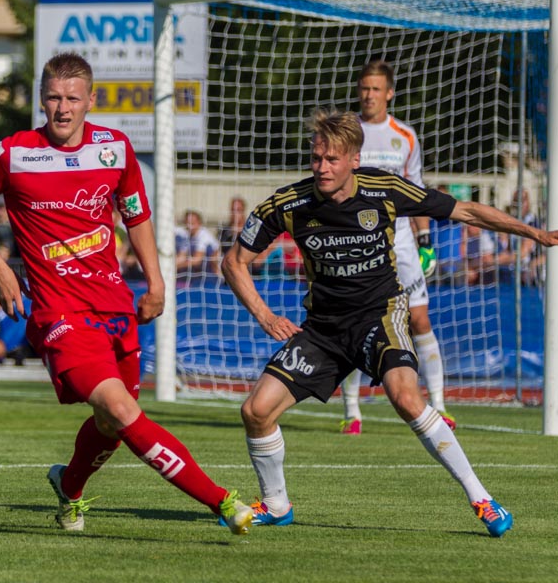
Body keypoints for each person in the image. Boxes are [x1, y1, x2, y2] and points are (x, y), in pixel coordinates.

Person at [220, 107, 557, 537]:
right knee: (255, 410)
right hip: (323, 330)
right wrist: (265, 316)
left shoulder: (385, 189)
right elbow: (234, 263)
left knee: (405, 398)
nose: (322, 167)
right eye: (316, 157)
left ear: (354, 160)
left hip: (380, 314)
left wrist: (537, 235)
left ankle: (482, 499)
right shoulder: (288, 204)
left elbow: (467, 212)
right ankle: (276, 503)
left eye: (332, 159)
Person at [0, 52, 253, 535]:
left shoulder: (115, 148)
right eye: (53, 97)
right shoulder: (11, 153)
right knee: (120, 409)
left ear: (91, 100)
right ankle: (223, 502)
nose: (62, 108)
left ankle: (68, 489)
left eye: (73, 98)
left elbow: (136, 216)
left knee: (113, 428)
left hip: (115, 308)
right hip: (59, 314)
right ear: (41, 100)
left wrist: (156, 283)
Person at [340, 60, 454, 435]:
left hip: (402, 243)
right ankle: (352, 412)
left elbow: (418, 194)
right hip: (359, 242)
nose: (368, 95)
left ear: (389, 93)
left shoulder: (404, 136)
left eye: (375, 89)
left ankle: (438, 404)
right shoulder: (347, 131)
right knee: (360, 324)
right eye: (364, 88)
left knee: (420, 319)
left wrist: (426, 242)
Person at [175, 209, 221, 275]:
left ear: (199, 223)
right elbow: (182, 256)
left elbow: (197, 260)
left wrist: (176, 266)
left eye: (193, 223)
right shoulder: (185, 234)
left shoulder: (204, 235)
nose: (190, 226)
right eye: (187, 223)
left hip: (211, 270)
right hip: (197, 271)